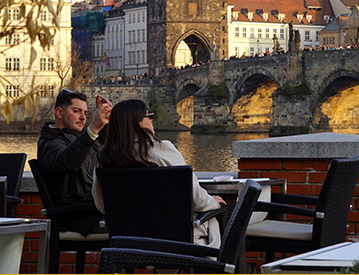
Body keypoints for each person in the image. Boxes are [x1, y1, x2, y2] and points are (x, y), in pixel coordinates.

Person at [92, 99, 225, 247]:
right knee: (213, 218)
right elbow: (195, 198)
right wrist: (213, 202)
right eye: (150, 116)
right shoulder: (162, 150)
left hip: (127, 240)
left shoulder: (104, 159)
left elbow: (101, 205)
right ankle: (220, 266)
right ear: (138, 122)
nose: (152, 121)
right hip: (175, 238)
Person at [37, 89, 113, 235]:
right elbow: (66, 162)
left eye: (85, 113)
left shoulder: (77, 138)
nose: (83, 118)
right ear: (59, 113)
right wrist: (93, 129)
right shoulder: (51, 141)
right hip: (78, 217)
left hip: (93, 211)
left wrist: (105, 122)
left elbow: (105, 144)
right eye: (77, 111)